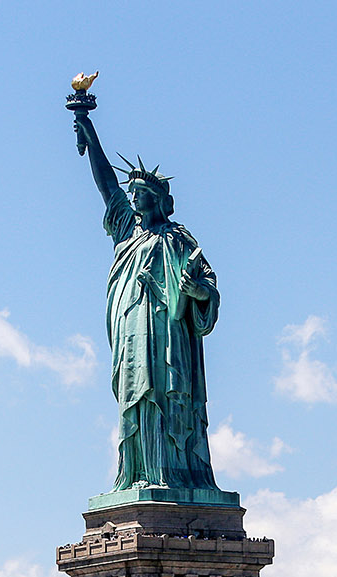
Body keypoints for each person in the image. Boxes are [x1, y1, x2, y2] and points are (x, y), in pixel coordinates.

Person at [73, 111, 222, 494]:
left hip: (168, 333)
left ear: (157, 200)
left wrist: (197, 291)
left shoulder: (176, 239)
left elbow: (207, 285)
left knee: (167, 396)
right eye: (133, 193)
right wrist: (89, 131)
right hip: (132, 329)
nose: (133, 198)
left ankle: (174, 475)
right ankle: (138, 472)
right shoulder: (125, 229)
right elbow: (107, 185)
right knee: (135, 394)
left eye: (140, 194)